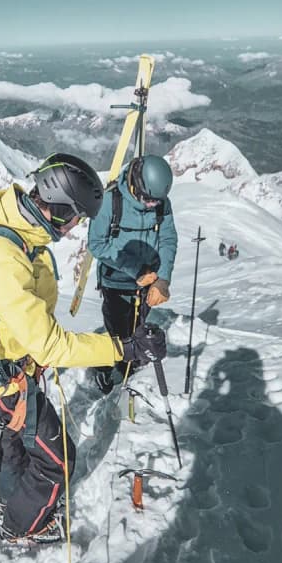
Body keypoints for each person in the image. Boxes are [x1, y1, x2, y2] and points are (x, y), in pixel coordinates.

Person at [0, 152, 167, 544]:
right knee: (58, 461)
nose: (72, 231)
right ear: (59, 210)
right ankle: (22, 527)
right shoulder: (1, 258)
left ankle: (15, 500)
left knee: (17, 435)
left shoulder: (18, 235)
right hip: (2, 376)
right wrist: (124, 348)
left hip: (12, 365)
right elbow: (53, 345)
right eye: (75, 219)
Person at [86, 154, 177, 394]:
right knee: (117, 333)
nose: (152, 205)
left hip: (149, 282)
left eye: (156, 201)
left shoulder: (161, 202)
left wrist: (163, 278)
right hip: (115, 282)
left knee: (138, 329)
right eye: (148, 200)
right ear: (136, 183)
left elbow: (168, 239)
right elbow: (97, 244)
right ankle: (106, 370)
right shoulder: (110, 201)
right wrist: (136, 270)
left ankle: (131, 371)